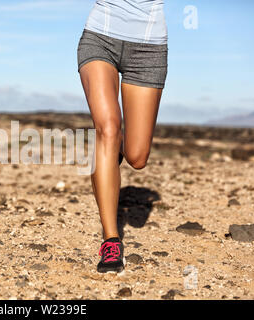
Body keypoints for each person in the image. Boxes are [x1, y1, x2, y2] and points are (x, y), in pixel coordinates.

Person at [77, 0, 168, 273]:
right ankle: (111, 242)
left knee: (137, 157)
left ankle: (112, 149)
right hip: (99, 38)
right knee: (107, 127)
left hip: (149, 48)